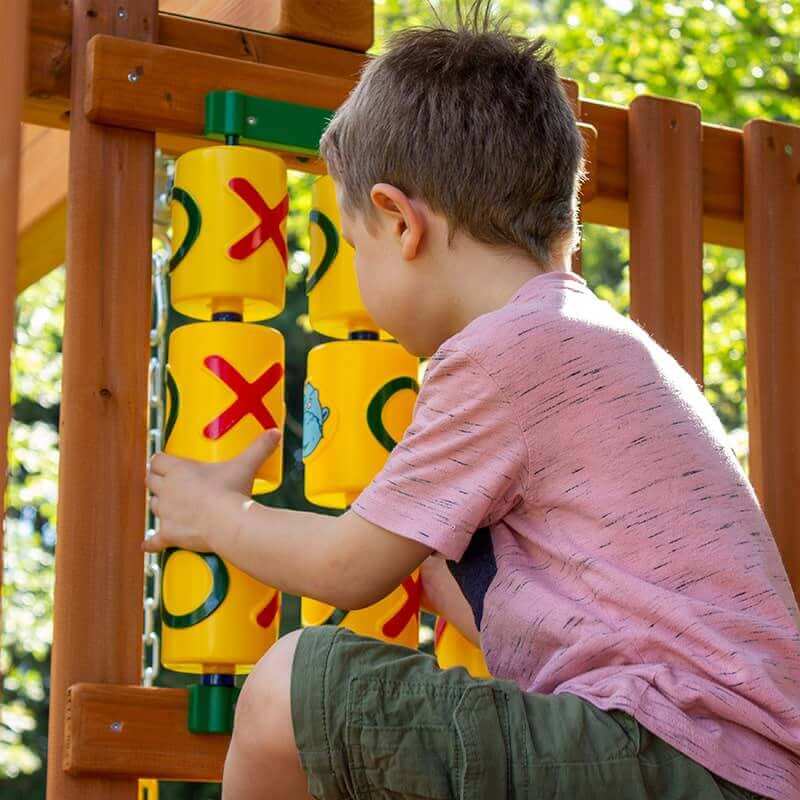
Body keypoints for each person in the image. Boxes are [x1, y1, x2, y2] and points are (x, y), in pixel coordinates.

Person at [145, 3, 800, 799]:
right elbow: (519, 604)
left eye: (352, 247)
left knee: (291, 684)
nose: (355, 268)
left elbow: (346, 570)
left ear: (398, 221)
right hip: (727, 763)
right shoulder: (594, 345)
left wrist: (216, 516)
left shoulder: (505, 354)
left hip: (666, 752)